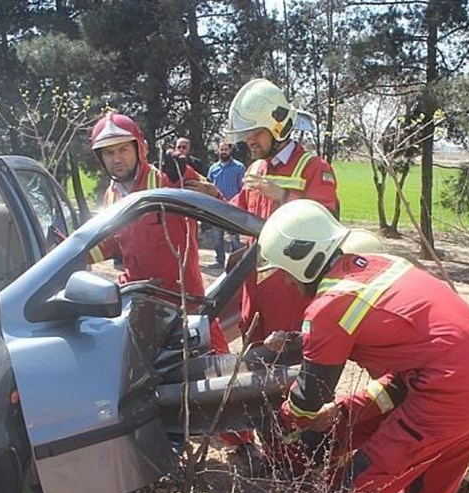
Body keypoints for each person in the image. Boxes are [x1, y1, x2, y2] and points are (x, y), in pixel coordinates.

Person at [256, 199, 469, 493]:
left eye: (285, 270)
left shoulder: (330, 305)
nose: (285, 279)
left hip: (449, 388)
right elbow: (400, 356)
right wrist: (345, 408)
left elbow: (309, 398)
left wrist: (287, 418)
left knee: (357, 488)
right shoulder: (383, 266)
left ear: (302, 260)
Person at [88, 112, 229, 353]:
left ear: (139, 149)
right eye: (109, 153)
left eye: (123, 150)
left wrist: (186, 177)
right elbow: (106, 245)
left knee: (220, 372)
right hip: (139, 309)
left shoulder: (170, 177)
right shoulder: (112, 196)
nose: (116, 159)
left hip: (185, 307)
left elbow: (222, 209)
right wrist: (64, 258)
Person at [223, 77, 339, 345]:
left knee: (288, 369)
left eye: (256, 133)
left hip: (291, 293)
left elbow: (325, 223)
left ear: (278, 127)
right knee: (251, 372)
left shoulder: (314, 168)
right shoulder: (255, 169)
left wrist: (284, 195)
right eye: (246, 134)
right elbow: (237, 212)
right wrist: (209, 199)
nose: (249, 140)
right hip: (254, 293)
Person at [207, 142, 245, 268]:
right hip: (216, 207)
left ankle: (236, 263)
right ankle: (219, 261)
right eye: (221, 149)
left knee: (234, 238)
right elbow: (208, 187)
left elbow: (243, 189)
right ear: (218, 151)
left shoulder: (239, 167)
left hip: (232, 208)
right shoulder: (213, 168)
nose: (223, 152)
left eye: (225, 149)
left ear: (230, 150)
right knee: (217, 237)